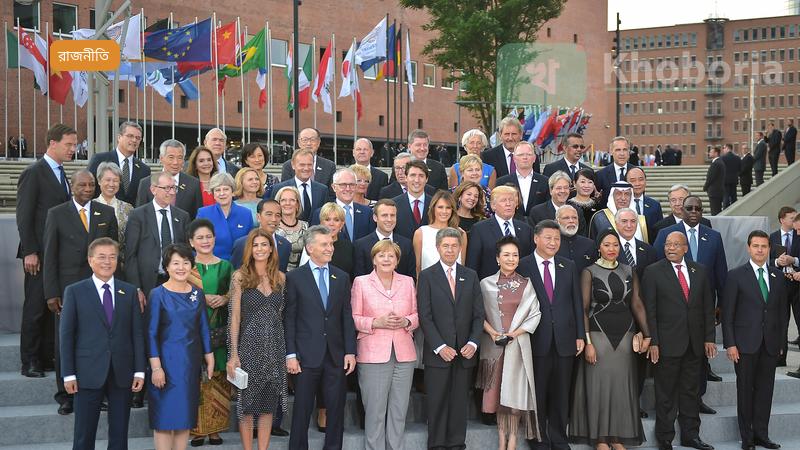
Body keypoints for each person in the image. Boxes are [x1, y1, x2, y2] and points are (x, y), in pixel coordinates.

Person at [43, 169, 119, 414]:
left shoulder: (106, 213)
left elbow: (114, 254)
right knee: (65, 340)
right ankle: (65, 396)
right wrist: (51, 292)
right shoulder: (56, 213)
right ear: (72, 186)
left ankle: (95, 392)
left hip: (100, 286)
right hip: (67, 288)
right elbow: (50, 255)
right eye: (82, 185)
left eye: (91, 185)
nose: (88, 189)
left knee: (97, 340)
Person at [59, 237, 146, 450]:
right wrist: (68, 374)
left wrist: (139, 371)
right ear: (90, 261)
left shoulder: (129, 292)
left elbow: (137, 334)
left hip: (122, 372)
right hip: (87, 372)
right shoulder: (75, 291)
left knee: (119, 435)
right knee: (83, 435)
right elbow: (66, 336)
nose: (107, 262)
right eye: (101, 257)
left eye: (112, 257)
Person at [569, 228, 650, 450]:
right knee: (599, 388)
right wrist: (587, 343)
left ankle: (616, 437)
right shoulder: (589, 272)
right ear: (599, 248)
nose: (612, 249)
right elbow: (583, 309)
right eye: (607, 244)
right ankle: (600, 439)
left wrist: (648, 335)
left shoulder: (629, 270)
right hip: (598, 336)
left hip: (626, 337)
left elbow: (637, 305)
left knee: (621, 388)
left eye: (615, 244)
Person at [642, 231, 717, 450]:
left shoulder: (699, 270)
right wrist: (653, 341)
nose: (671, 248)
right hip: (666, 344)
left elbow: (707, 308)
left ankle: (691, 436)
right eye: (668, 244)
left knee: (691, 392)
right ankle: (665, 438)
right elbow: (649, 311)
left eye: (676, 244)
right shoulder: (653, 271)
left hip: (694, 343)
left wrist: (709, 338)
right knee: (665, 393)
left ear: (685, 248)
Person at [284, 225, 357, 450]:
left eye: (331, 244)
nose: (329, 248)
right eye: (324, 244)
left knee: (336, 409)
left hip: (335, 355)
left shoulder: (341, 277)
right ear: (310, 248)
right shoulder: (294, 277)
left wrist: (350, 351)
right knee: (302, 410)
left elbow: (346, 317)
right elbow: (289, 318)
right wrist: (290, 354)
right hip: (305, 356)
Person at [517, 220, 585, 450]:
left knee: (561, 393)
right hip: (536, 338)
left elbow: (576, 302)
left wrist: (580, 334)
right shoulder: (523, 265)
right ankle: (538, 439)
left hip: (565, 338)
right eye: (548, 238)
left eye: (557, 238)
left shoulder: (568, 265)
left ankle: (559, 439)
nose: (553, 242)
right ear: (536, 238)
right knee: (536, 393)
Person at [417, 227, 484, 450]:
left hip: (465, 353)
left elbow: (478, 314)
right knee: (436, 402)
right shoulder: (427, 276)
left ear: (460, 248)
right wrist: (440, 346)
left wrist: (473, 343)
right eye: (445, 246)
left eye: (454, 246)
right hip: (438, 353)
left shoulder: (470, 275)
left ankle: (457, 445)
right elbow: (425, 316)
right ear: (437, 248)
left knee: (459, 403)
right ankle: (436, 446)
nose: (450, 250)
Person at [17, 124, 76, 379]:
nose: (73, 149)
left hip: (57, 254)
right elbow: (24, 216)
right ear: (53, 143)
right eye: (69, 144)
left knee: (53, 304)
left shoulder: (62, 173)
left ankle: (46, 356)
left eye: (74, 145)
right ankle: (29, 360)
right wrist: (30, 251)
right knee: (35, 307)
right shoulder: (33, 172)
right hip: (38, 255)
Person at [351, 239, 419, 450]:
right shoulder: (361, 282)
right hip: (373, 354)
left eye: (391, 256)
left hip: (404, 354)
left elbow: (417, 315)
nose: (386, 259)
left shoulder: (407, 282)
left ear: (397, 261)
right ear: (374, 260)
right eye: (381, 255)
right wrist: (375, 322)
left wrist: (407, 321)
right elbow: (353, 318)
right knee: (375, 412)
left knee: (399, 411)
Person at [723, 230, 787, 450]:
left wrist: (781, 343)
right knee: (745, 391)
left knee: (765, 391)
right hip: (744, 344)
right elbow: (728, 314)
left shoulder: (778, 277)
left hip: (770, 344)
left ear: (769, 249)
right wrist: (730, 344)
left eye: (764, 246)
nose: (760, 250)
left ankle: (762, 434)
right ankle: (747, 437)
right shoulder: (736, 275)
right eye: (756, 246)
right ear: (748, 248)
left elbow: (782, 314)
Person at [477, 235, 542, 450]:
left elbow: (535, 314)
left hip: (518, 346)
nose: (511, 259)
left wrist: (514, 334)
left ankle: (512, 441)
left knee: (514, 395)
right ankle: (501, 440)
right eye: (506, 255)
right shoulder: (485, 284)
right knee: (497, 395)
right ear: (498, 258)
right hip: (493, 346)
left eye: (515, 255)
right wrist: (492, 333)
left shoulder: (526, 284)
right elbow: (478, 314)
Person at [146, 243, 214, 450]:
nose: (181, 267)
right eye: (176, 263)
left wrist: (209, 357)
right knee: (164, 421)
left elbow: (204, 329)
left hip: (189, 366)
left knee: (185, 419)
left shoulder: (198, 294)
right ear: (167, 266)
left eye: (185, 262)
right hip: (165, 365)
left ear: (191, 266)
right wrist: (156, 368)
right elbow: (150, 333)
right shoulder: (157, 294)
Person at [227, 229, 289, 450]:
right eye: (255, 245)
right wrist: (233, 354)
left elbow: (280, 316)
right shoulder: (240, 277)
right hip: (248, 350)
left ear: (271, 248)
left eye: (264, 244)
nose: (260, 249)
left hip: (274, 350)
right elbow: (234, 318)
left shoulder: (280, 278)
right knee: (247, 407)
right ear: (249, 249)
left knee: (268, 407)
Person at [182, 219, 234, 447]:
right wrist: (202, 298)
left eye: (208, 236)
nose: (205, 241)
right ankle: (197, 431)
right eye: (200, 238)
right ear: (191, 242)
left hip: (219, 331)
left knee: (218, 378)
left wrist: (224, 299)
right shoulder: (186, 267)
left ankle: (215, 430)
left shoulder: (226, 266)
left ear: (214, 238)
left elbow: (235, 293)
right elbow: (178, 294)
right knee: (197, 380)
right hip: (192, 330)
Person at [125, 172, 192, 305]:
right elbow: (130, 255)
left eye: (173, 188)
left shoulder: (182, 216)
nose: (172, 192)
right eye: (166, 188)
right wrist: (137, 288)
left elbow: (187, 252)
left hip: (176, 282)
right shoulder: (138, 215)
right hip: (148, 284)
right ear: (153, 190)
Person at [466, 186, 535, 279]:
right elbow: (472, 265)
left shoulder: (526, 229)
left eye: (511, 200)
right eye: (503, 200)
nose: (508, 204)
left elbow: (530, 262)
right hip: (490, 285)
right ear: (493, 205)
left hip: (521, 284)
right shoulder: (479, 229)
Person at [136, 139, 203, 220]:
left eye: (180, 158)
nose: (176, 162)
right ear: (161, 158)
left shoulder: (194, 184)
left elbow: (198, 218)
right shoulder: (146, 183)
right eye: (171, 157)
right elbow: (140, 216)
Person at [88, 122, 151, 206]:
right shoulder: (100, 159)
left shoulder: (144, 169)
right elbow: (88, 187)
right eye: (130, 136)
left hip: (132, 213)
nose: (134, 140)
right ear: (119, 137)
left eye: (137, 138)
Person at [353, 199, 417, 280]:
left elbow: (411, 277)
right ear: (375, 217)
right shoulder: (361, 245)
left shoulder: (407, 244)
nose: (389, 219)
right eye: (384, 215)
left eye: (392, 215)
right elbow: (359, 279)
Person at [196, 173, 254, 262]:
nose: (222, 193)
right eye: (217, 190)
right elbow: (197, 243)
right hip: (212, 265)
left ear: (233, 191)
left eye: (226, 189)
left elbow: (250, 243)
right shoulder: (204, 213)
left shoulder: (246, 213)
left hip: (240, 265)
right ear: (213, 193)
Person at [312, 168, 375, 242]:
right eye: (343, 185)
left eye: (351, 185)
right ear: (334, 187)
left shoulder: (367, 212)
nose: (348, 189)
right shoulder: (320, 213)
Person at [414, 190, 467, 277]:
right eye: (440, 207)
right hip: (429, 283)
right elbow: (418, 268)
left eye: (448, 208)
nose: (444, 211)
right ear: (433, 208)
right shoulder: (421, 233)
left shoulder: (461, 233)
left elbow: (462, 266)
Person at [769, 206, 800, 353]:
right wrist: (777, 262)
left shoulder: (799, 234)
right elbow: (765, 260)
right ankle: (781, 357)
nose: (794, 221)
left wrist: (794, 260)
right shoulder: (771, 237)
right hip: (779, 285)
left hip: (797, 285)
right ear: (782, 220)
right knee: (781, 322)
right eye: (791, 218)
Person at [231, 199, 292, 273]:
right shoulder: (242, 244)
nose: (274, 219)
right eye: (269, 214)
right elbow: (235, 273)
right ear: (258, 217)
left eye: (277, 215)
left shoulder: (285, 244)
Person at [272, 148, 329, 223]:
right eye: (302, 165)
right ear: (293, 165)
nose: (306, 168)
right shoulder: (280, 189)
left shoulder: (322, 190)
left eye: (309, 164)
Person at [495, 141, 550, 219]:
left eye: (528, 154)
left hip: (538, 224)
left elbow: (547, 208)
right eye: (521, 155)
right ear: (514, 158)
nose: (525, 157)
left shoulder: (545, 182)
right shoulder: (502, 182)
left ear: (534, 158)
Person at [300, 203, 355, 281]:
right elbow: (303, 273)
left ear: (342, 223)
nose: (331, 224)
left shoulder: (348, 246)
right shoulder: (312, 244)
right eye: (327, 219)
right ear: (322, 222)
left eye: (336, 220)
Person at [529, 171, 587, 236]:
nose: (563, 191)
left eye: (566, 187)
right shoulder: (537, 212)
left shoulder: (577, 211)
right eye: (559, 188)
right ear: (551, 191)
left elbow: (582, 237)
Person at [94, 161, 134, 254]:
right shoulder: (90, 206)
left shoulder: (128, 208)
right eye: (108, 180)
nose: (111, 184)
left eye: (115, 180)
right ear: (99, 181)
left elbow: (132, 238)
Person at [391, 159, 433, 241]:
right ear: (406, 177)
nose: (417, 180)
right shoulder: (393, 204)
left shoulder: (435, 204)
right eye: (413, 175)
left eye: (421, 176)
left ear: (426, 179)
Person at [595, 137, 637, 208]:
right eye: (618, 150)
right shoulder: (600, 175)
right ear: (611, 152)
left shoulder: (636, 172)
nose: (622, 153)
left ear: (628, 151)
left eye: (625, 150)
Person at [555, 205, 597, 275]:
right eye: (566, 218)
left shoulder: (589, 244)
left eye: (574, 217)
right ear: (557, 222)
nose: (571, 221)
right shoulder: (552, 245)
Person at [274, 186, 309, 271]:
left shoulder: (306, 226)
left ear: (297, 204)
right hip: (277, 273)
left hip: (301, 274)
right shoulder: (272, 227)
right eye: (283, 200)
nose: (287, 203)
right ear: (278, 204)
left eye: (292, 200)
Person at [703, 146, 725, 216]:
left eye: (711, 152)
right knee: (718, 210)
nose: (709, 153)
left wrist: (705, 187)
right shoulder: (721, 162)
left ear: (716, 153)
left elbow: (710, 177)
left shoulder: (715, 164)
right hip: (719, 190)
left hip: (714, 191)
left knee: (715, 211)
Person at [720, 144, 741, 208]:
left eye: (724, 148)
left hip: (725, 180)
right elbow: (740, 169)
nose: (723, 150)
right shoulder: (737, 158)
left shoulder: (723, 158)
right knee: (733, 196)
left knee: (726, 196)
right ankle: (734, 209)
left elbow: (720, 169)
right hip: (734, 179)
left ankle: (726, 209)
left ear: (727, 148)